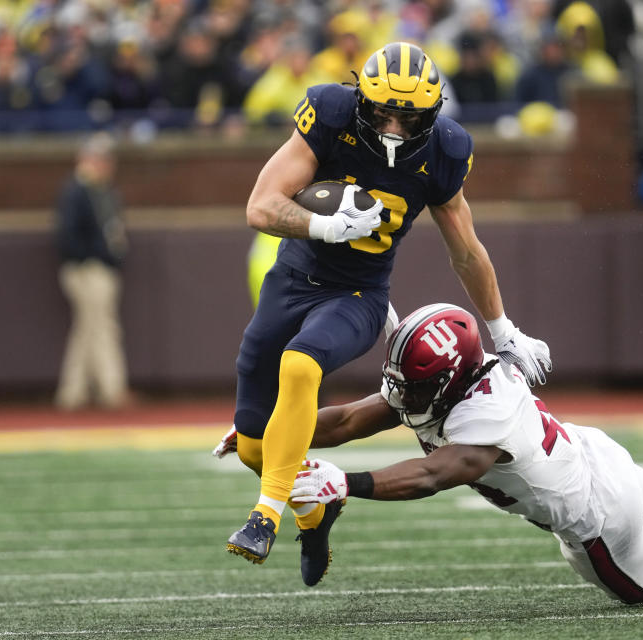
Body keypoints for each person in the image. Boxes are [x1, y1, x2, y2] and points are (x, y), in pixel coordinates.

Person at [221, 42, 552, 586]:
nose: (394, 124)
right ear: (360, 100)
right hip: (290, 283)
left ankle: (265, 516)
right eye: (381, 111)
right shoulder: (329, 114)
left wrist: (503, 329)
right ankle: (314, 512)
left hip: (357, 296)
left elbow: (466, 249)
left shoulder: (444, 151)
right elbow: (261, 205)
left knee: (300, 366)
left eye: (410, 115)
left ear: (433, 113)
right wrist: (323, 225)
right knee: (257, 449)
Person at [288, 303, 643, 601]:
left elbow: (436, 473)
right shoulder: (452, 379)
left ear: (446, 379)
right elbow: (343, 419)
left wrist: (349, 485)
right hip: (592, 454)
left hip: (589, 510)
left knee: (639, 590)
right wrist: (270, 430)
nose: (400, 393)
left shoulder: (481, 414)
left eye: (412, 384)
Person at [54, 132, 130, 411]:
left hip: (100, 266)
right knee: (102, 328)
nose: (106, 164)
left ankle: (72, 393)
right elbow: (68, 236)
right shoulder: (77, 191)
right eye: (100, 159)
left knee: (87, 330)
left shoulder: (102, 190)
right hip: (87, 269)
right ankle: (112, 389)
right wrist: (94, 257)